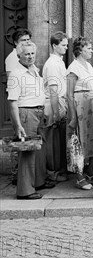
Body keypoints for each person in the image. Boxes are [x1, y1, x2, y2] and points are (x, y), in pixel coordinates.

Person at [7, 42, 47, 199]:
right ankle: (25, 191)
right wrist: (17, 125)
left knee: (38, 149)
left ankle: (37, 182)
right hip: (26, 113)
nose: (30, 57)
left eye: (32, 53)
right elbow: (12, 102)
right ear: (19, 56)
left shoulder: (34, 70)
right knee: (27, 151)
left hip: (38, 112)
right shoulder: (16, 74)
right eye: (27, 54)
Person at [66, 37, 93, 190]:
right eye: (89, 48)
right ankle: (79, 176)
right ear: (80, 50)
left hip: (91, 105)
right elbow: (69, 94)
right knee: (79, 141)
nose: (92, 51)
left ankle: (91, 172)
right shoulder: (73, 68)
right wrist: (73, 116)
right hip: (79, 106)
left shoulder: (88, 65)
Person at [42, 31, 69, 183]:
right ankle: (52, 173)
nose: (66, 48)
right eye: (63, 45)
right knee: (52, 141)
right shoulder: (52, 64)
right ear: (54, 46)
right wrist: (56, 112)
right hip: (54, 103)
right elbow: (53, 90)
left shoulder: (58, 61)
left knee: (58, 140)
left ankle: (57, 171)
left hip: (60, 101)